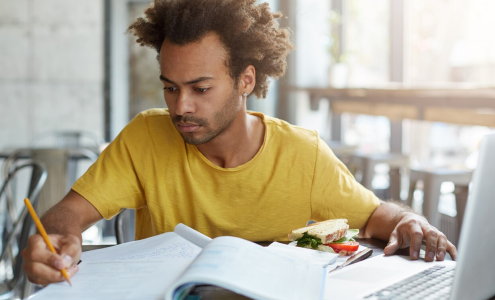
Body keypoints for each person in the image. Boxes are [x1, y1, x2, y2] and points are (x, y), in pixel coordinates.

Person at [22, 0, 457, 286]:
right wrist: (55, 237)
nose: (180, 107)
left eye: (200, 88)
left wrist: (410, 222)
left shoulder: (302, 155)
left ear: (245, 79)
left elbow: (378, 216)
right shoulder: (146, 137)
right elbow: (67, 215)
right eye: (170, 87)